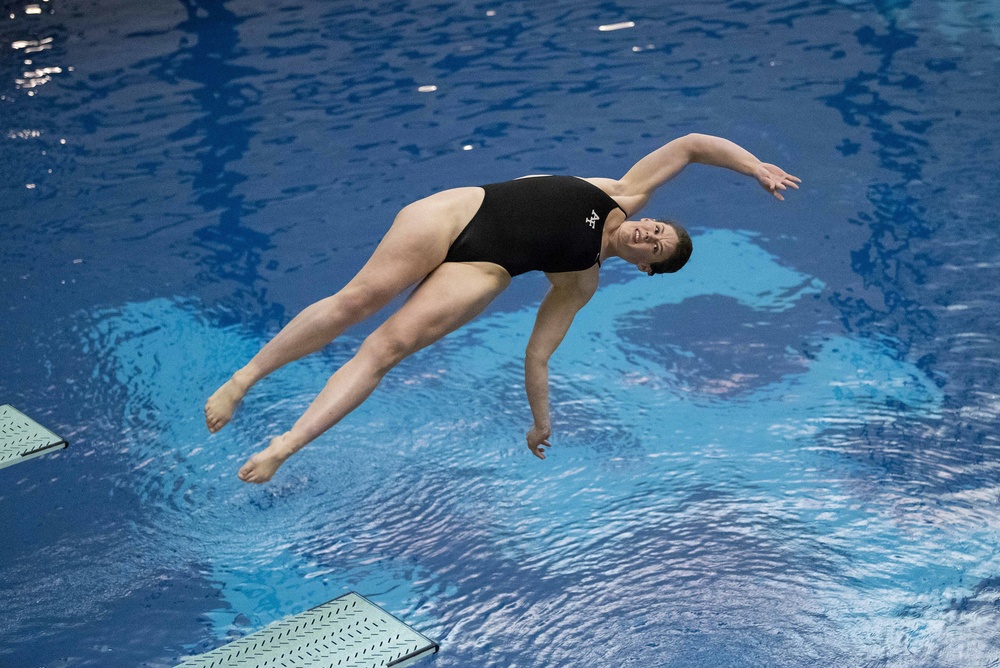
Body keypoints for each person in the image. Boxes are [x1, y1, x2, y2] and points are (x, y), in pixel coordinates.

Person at [204, 132, 800, 483]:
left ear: (645, 268)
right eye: (656, 229)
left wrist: (541, 422)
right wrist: (754, 167)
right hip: (459, 212)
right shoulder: (622, 193)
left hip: (481, 271)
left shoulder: (579, 282)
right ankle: (245, 378)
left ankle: (285, 446)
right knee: (354, 302)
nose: (649, 234)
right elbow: (694, 146)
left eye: (656, 248)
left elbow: (538, 357)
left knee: (382, 351)